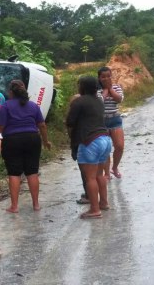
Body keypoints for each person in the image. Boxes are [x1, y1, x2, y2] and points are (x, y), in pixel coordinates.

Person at [0, 80, 51, 213]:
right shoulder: (33, 106)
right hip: (32, 139)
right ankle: (36, 204)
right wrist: (46, 141)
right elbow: (42, 125)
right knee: (32, 172)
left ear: (11, 92)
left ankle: (14, 206)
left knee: (14, 173)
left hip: (12, 141)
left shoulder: (6, 106)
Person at [66, 76, 112, 219]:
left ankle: (94, 209)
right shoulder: (99, 101)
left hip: (90, 141)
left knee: (89, 178)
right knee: (99, 175)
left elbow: (69, 122)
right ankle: (103, 203)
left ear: (83, 87)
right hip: (105, 139)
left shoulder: (79, 101)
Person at [98, 66, 124, 179]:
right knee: (105, 149)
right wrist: (105, 91)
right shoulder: (96, 90)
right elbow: (98, 103)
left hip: (115, 120)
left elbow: (119, 99)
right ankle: (107, 173)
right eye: (103, 77)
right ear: (99, 78)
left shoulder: (117, 87)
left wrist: (110, 89)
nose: (106, 78)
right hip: (101, 122)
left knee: (119, 146)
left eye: (108, 76)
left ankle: (115, 167)